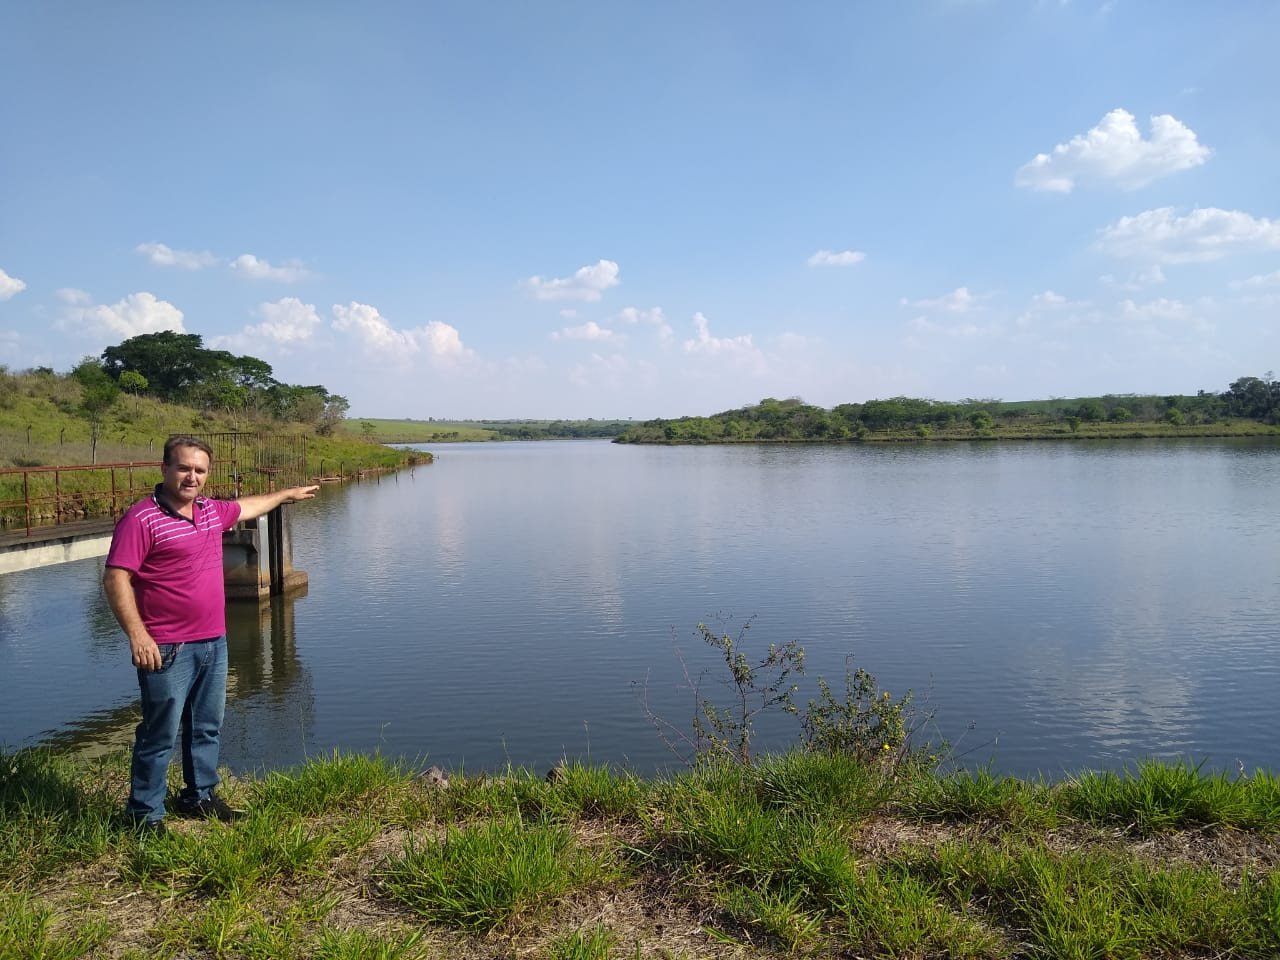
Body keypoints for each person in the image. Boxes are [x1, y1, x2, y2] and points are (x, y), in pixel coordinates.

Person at [103, 434, 319, 833]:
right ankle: (143, 815)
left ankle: (199, 795)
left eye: (200, 470)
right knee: (160, 731)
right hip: (165, 646)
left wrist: (286, 494)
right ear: (164, 468)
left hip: (214, 641)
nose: (192, 477)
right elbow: (116, 577)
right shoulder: (141, 518)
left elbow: (246, 507)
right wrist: (137, 634)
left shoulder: (208, 512)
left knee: (207, 725)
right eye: (184, 467)